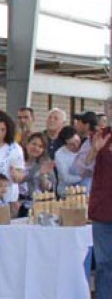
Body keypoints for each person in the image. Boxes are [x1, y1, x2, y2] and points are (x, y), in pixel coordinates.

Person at [86, 110, 112, 299]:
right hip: (102, 209)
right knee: (103, 264)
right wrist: (95, 150)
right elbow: (81, 169)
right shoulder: (100, 137)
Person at [19, 133, 57, 217]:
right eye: (34, 144)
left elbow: (48, 188)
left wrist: (42, 175)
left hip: (36, 204)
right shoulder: (17, 160)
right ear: (27, 144)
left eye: (40, 146)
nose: (36, 148)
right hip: (17, 203)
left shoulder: (45, 163)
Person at [55, 127, 83, 194]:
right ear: (65, 144)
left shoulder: (85, 147)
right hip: (67, 191)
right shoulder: (60, 154)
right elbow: (66, 178)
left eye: (77, 141)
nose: (76, 145)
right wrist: (84, 177)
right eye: (71, 144)